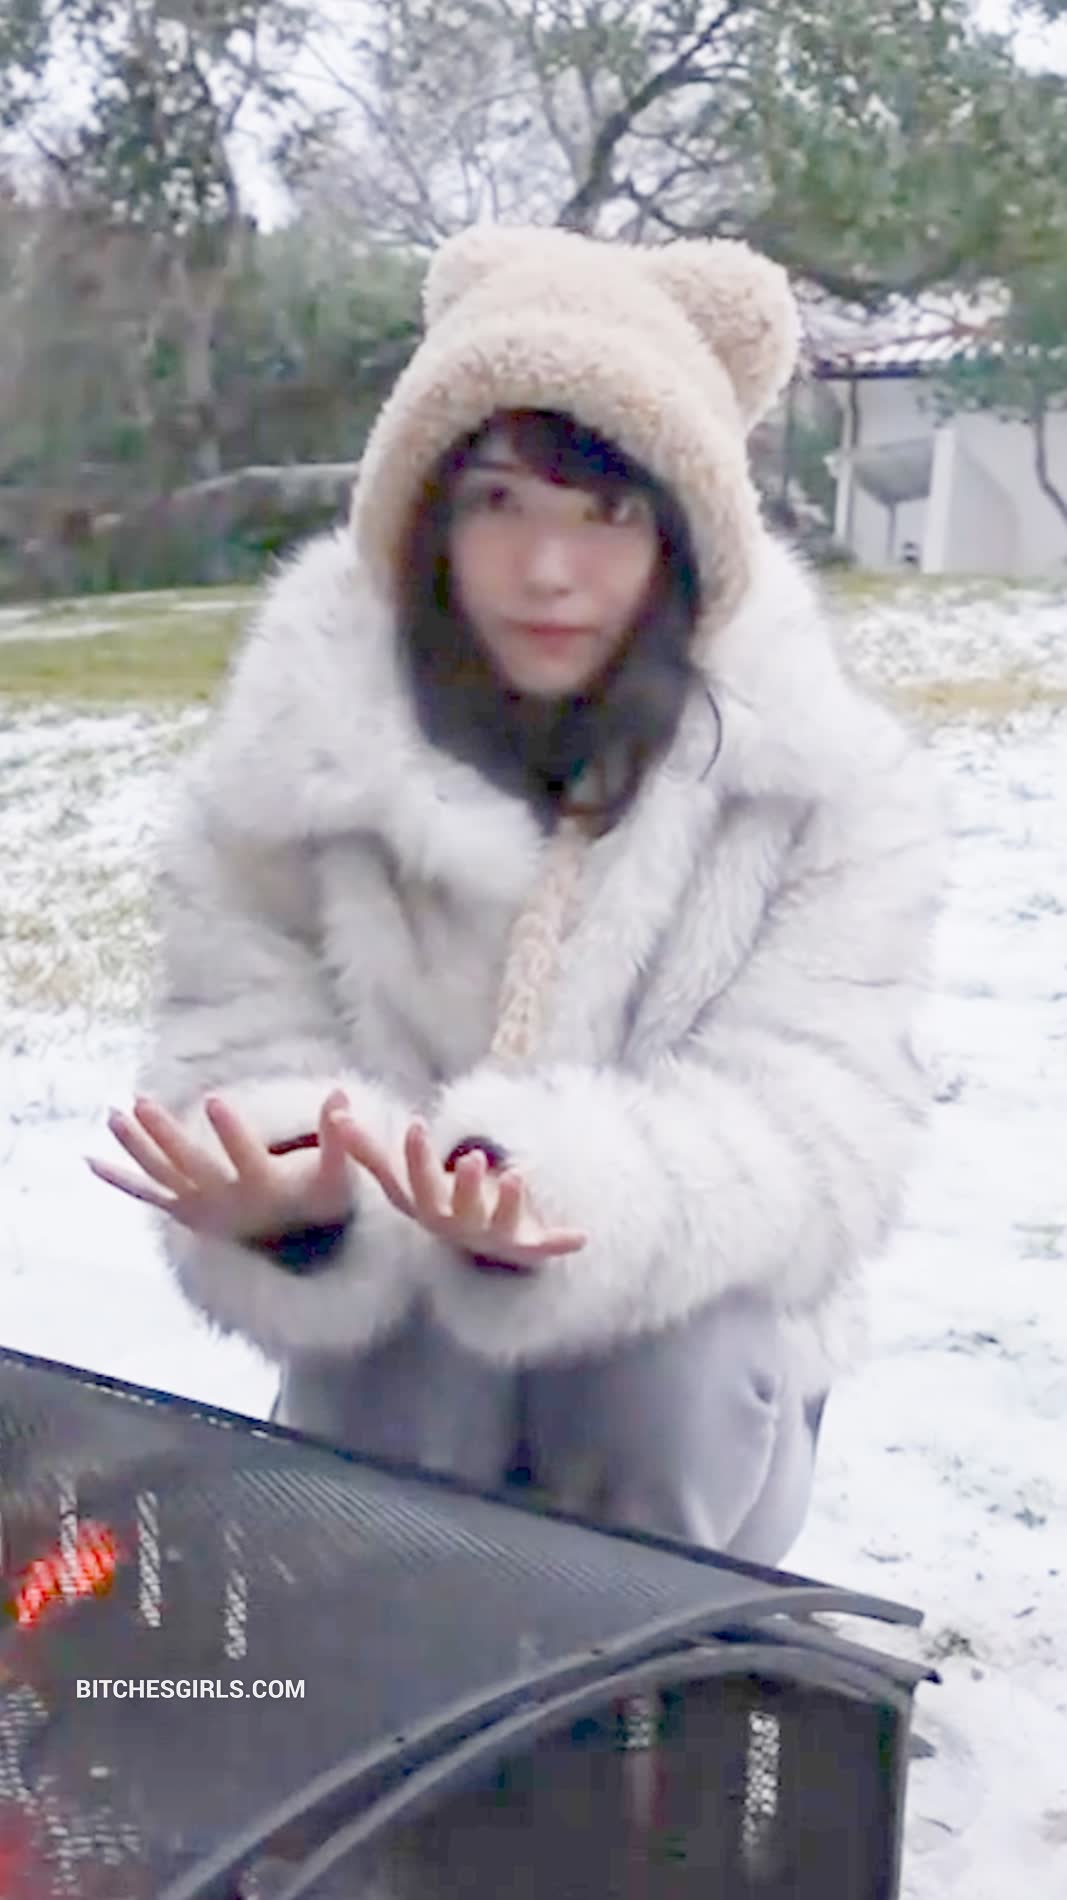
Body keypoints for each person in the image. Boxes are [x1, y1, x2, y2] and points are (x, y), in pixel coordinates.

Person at [88, 224, 944, 1568]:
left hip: (692, 1429)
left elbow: (821, 1130)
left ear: (685, 534)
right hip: (394, 1409)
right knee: (406, 1357)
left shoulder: (820, 783)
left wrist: (558, 1196)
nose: (549, 571)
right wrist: (307, 1202)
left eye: (608, 515)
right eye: (499, 503)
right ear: (427, 510)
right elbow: (240, 1038)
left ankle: (648, 1677)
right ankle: (388, 1660)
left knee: (666, 1366)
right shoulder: (288, 765)